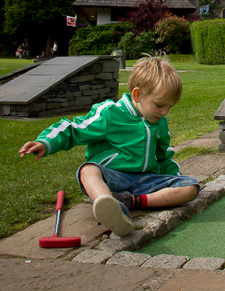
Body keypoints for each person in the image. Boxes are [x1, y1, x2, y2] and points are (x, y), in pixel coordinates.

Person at [18, 56, 200, 236]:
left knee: (190, 186)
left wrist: (174, 180)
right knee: (88, 170)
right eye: (160, 105)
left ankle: (132, 202)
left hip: (146, 180)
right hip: (113, 178)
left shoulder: (160, 122)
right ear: (138, 95)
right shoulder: (110, 113)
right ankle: (105, 201)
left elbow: (164, 155)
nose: (165, 111)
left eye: (170, 106)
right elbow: (74, 128)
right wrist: (45, 142)